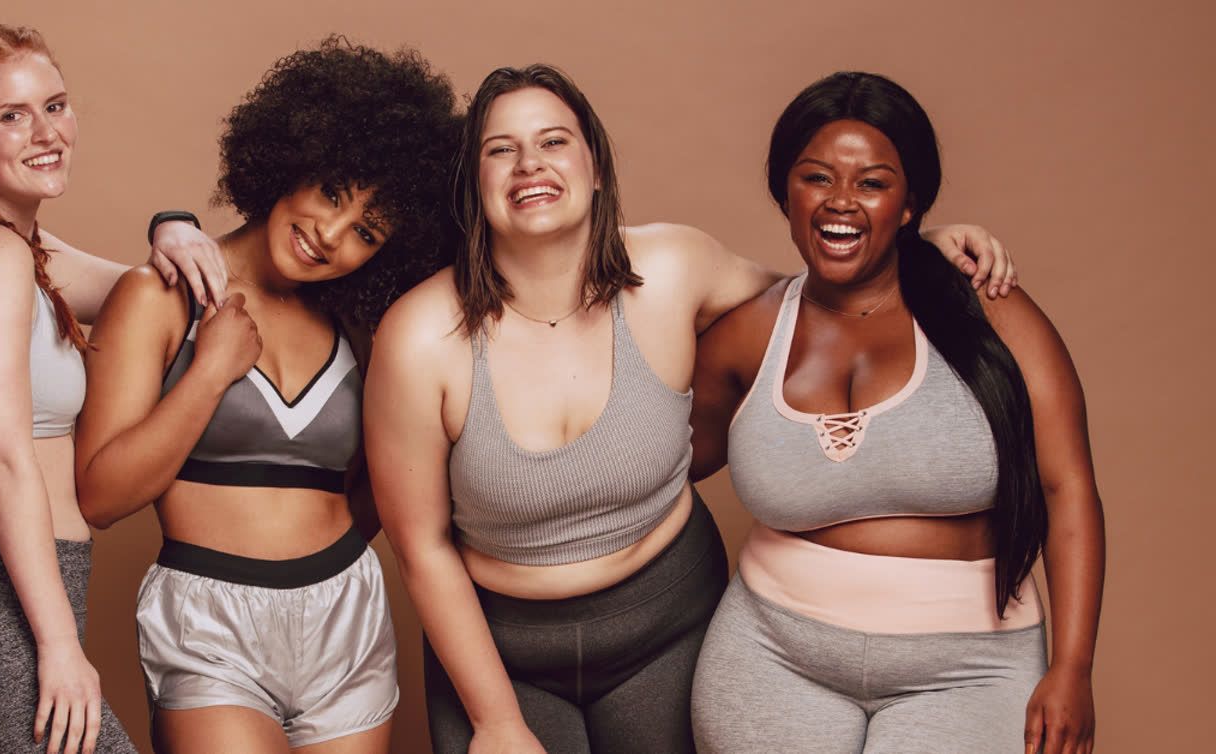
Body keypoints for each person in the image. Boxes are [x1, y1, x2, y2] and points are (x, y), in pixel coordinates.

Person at [363, 64, 1015, 754]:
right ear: (473, 182)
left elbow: (813, 302)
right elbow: (421, 546)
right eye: (502, 149)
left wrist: (910, 252)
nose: (530, 164)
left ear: (595, 167)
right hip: (498, 653)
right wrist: (497, 722)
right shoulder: (417, 337)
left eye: (554, 141)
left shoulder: (674, 267)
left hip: (668, 630)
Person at [687, 72, 1103, 754]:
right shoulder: (749, 334)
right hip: (771, 657)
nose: (840, 202)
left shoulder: (988, 309)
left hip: (969, 670)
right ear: (786, 192)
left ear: (909, 203)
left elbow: (1069, 487)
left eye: (873, 183)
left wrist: (1074, 667)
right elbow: (654, 472)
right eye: (816, 178)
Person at [73, 38, 461, 754]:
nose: (330, 234)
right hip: (210, 625)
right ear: (292, 157)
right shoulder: (161, 295)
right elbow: (100, 496)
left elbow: (383, 486)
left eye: (366, 232)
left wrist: (322, 569)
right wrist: (209, 374)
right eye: (331, 192)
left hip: (345, 620)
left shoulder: (362, 330)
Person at [0, 22, 227, 754]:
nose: (46, 132)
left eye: (54, 106)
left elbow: (147, 298)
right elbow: (4, 461)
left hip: (17, 602)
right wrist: (59, 649)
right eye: (11, 116)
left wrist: (172, 226)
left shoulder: (11, 244)